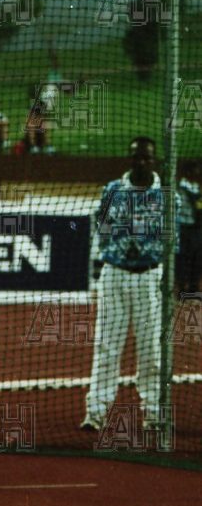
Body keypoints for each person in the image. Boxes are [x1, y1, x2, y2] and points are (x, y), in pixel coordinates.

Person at [82, 137, 177, 432]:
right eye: (136, 157)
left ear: (154, 161)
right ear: (130, 159)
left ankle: (153, 413)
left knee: (151, 349)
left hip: (149, 277)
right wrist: (120, 249)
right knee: (107, 346)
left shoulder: (166, 196)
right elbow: (102, 229)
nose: (141, 162)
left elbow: (173, 242)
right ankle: (96, 413)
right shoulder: (112, 190)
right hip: (114, 275)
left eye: (147, 158)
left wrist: (152, 259)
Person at [176, 159, 202, 296]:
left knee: (197, 257)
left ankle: (193, 285)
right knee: (183, 258)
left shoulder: (196, 187)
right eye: (195, 170)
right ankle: (182, 285)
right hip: (184, 228)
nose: (198, 173)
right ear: (188, 172)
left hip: (196, 229)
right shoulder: (181, 188)